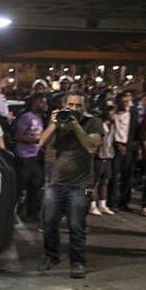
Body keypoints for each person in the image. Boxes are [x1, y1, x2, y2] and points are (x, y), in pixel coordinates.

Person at [37, 93, 103, 278]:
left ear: (84, 106)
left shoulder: (93, 122)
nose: (74, 109)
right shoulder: (57, 121)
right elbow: (41, 142)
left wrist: (75, 126)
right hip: (55, 182)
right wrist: (53, 124)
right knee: (48, 221)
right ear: (65, 105)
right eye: (71, 105)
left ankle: (77, 261)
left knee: (76, 225)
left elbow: (91, 146)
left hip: (80, 184)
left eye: (78, 105)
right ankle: (51, 255)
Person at [13, 94, 46, 221]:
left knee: (35, 186)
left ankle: (31, 213)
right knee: (20, 186)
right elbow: (18, 136)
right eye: (41, 102)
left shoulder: (40, 118)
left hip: (35, 156)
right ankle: (13, 212)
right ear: (35, 103)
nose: (44, 104)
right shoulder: (26, 117)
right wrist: (35, 140)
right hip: (23, 156)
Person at [110, 90, 139, 212]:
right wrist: (117, 144)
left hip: (129, 148)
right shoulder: (113, 113)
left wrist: (135, 147)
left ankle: (124, 202)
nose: (126, 103)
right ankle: (111, 202)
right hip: (115, 148)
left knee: (127, 177)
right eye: (124, 101)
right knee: (114, 177)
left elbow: (136, 130)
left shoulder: (133, 112)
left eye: (128, 101)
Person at [90, 105, 116, 216]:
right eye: (109, 112)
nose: (111, 114)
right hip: (99, 156)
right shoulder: (98, 124)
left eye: (112, 112)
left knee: (105, 181)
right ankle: (92, 205)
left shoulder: (112, 125)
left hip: (108, 155)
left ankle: (103, 204)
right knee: (95, 182)